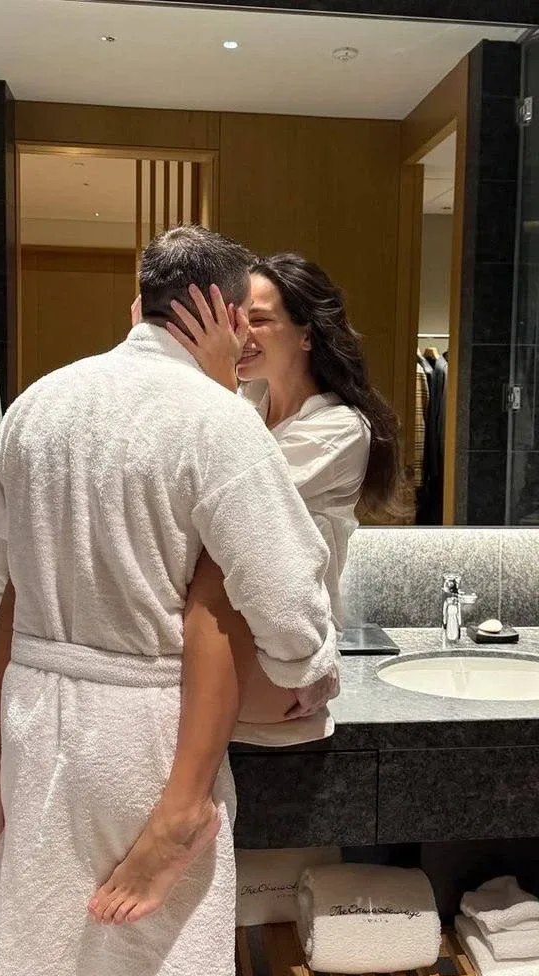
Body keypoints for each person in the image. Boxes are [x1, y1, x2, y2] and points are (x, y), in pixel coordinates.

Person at [0, 226, 339, 976]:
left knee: (45, 941)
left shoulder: (37, 404)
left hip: (38, 726)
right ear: (229, 316)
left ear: (142, 303)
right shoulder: (218, 420)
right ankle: (180, 822)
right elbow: (285, 591)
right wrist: (306, 667)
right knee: (156, 958)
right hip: (147, 735)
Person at [91, 253, 401, 925]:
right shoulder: (249, 404)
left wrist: (204, 377)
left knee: (220, 569)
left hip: (272, 667)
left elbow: (229, 507)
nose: (240, 334)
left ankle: (180, 816)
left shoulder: (338, 427)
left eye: (259, 320)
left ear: (307, 333)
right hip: (234, 662)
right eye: (236, 317)